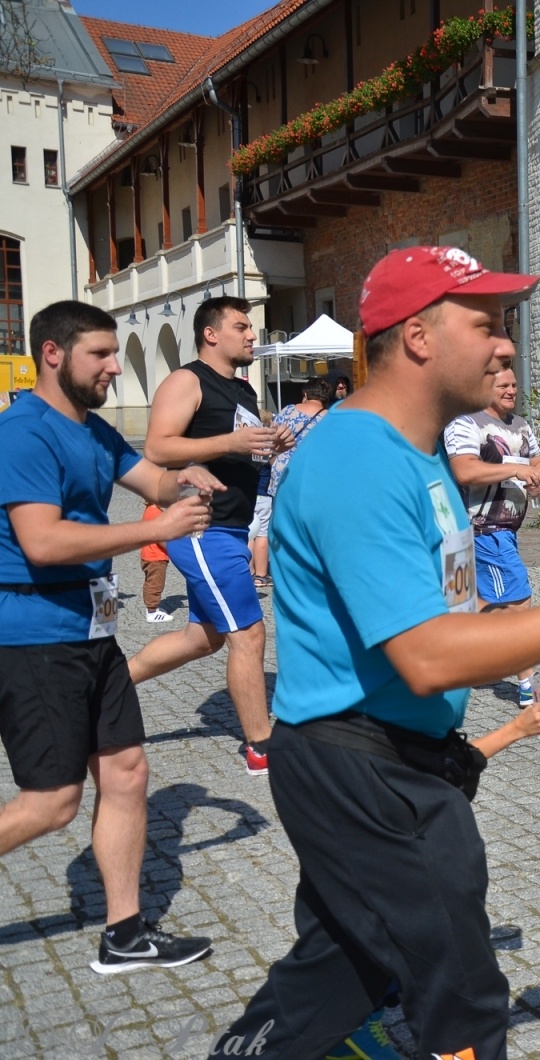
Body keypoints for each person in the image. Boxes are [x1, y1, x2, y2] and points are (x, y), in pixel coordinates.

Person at [220, 245, 540, 1059]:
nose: (506, 345)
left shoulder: (422, 448)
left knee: (344, 967)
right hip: (358, 765)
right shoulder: (358, 457)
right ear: (418, 336)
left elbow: (452, 613)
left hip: (401, 758)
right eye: (487, 324)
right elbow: (430, 656)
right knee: (464, 998)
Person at [0, 300, 219, 973]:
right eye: (100, 354)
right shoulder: (24, 434)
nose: (112, 369)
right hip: (34, 637)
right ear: (55, 354)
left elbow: (145, 475)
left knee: (126, 773)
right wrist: (155, 530)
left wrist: (183, 476)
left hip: (93, 634)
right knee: (52, 803)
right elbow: (42, 540)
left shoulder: (92, 431)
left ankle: (124, 935)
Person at [125, 296, 284, 776]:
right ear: (211, 334)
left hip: (234, 527)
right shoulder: (187, 379)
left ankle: (106, 683)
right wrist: (232, 442)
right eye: (242, 326)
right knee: (249, 633)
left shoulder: (243, 390)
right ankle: (260, 746)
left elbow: (239, 454)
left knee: (203, 638)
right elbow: (157, 446)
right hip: (201, 525)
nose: (252, 334)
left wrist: (269, 445)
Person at [443, 366, 540, 703]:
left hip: (506, 529)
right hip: (481, 529)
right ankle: (526, 682)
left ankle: (443, 647)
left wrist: (539, 479)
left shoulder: (519, 425)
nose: (511, 391)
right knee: (518, 602)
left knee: (473, 601)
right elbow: (465, 470)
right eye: (502, 385)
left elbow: (539, 459)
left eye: (514, 385)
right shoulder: (465, 423)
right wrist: (518, 470)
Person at [248, 377, 332, 588]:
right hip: (311, 477)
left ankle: (284, 567)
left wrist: (276, 460)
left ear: (305, 394)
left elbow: (272, 438)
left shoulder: (288, 411)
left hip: (282, 474)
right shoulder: (329, 419)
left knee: (282, 523)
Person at [140, 504, 173, 621]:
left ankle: (152, 608)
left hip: (149, 554)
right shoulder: (155, 512)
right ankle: (152, 612)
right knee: (156, 584)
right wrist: (172, 549)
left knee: (150, 582)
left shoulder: (150, 510)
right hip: (156, 556)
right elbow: (159, 537)